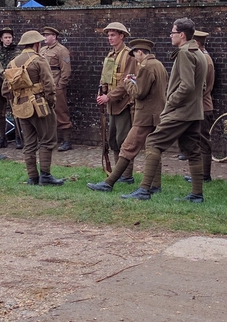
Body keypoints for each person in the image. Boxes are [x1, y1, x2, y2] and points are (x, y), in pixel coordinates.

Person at [123, 17, 206, 202]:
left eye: (173, 32)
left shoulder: (184, 53)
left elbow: (187, 85)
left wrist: (170, 103)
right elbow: (202, 84)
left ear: (182, 35)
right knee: (192, 150)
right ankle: (197, 194)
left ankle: (144, 190)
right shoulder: (198, 52)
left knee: (153, 142)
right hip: (194, 111)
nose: (170, 35)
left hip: (181, 111)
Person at [88, 38, 168, 192]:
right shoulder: (159, 65)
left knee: (127, 147)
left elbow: (139, 93)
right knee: (153, 149)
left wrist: (128, 83)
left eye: (135, 54)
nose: (134, 57)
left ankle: (109, 183)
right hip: (156, 114)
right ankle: (155, 186)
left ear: (140, 52)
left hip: (144, 115)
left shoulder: (145, 66)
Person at [3, 30, 62, 185]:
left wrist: (17, 99)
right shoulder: (39, 60)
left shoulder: (12, 62)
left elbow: (5, 90)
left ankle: (32, 177)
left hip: (20, 107)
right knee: (47, 140)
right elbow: (49, 85)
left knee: (29, 143)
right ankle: (46, 176)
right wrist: (50, 102)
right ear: (36, 44)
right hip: (40, 106)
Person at [96, 22, 136, 169]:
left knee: (124, 140)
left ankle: (126, 174)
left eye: (113, 35)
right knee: (113, 139)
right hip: (111, 105)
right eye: (108, 35)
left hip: (124, 104)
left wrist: (109, 97)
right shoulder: (110, 55)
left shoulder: (129, 55)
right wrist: (101, 94)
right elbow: (104, 78)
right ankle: (117, 171)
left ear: (122, 36)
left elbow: (127, 82)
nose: (110, 38)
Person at [41, 26, 73, 150]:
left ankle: (67, 141)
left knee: (61, 112)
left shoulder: (61, 50)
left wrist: (60, 86)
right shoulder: (42, 50)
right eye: (44, 35)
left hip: (56, 86)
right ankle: (49, 140)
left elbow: (66, 70)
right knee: (45, 113)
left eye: (47, 35)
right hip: (45, 87)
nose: (44, 37)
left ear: (54, 36)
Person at [192, 30, 216, 182]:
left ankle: (204, 175)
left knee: (203, 141)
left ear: (197, 43)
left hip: (202, 106)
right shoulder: (204, 58)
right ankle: (200, 173)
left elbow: (200, 85)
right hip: (201, 105)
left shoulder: (203, 60)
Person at [0, 26, 18, 148]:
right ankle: (2, 138)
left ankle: (19, 137)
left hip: (13, 86)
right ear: (1, 39)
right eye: (6, 38)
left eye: (10, 37)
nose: (8, 40)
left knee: (16, 112)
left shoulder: (16, 53)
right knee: (0, 113)